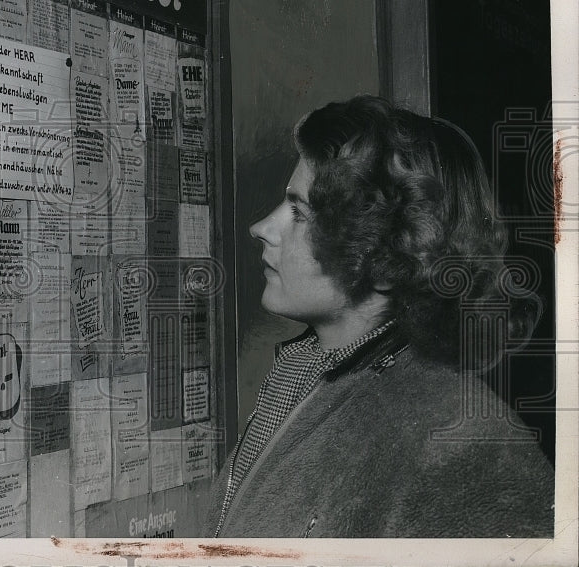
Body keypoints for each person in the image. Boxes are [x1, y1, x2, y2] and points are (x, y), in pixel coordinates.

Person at [205, 95, 554, 538]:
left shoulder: (465, 442)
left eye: (298, 211)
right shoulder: (304, 376)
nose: (262, 229)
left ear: (387, 254)